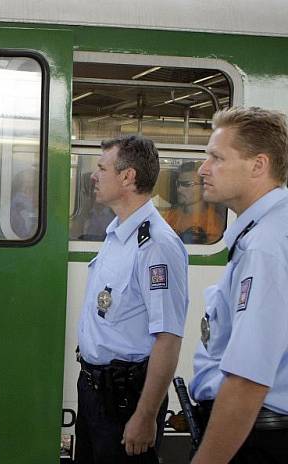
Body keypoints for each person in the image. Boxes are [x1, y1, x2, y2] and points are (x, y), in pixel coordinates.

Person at [75, 135, 189, 463]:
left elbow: (168, 338)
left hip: (126, 399)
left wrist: (145, 415)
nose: (93, 176)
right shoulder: (117, 234)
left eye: (101, 168)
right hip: (94, 390)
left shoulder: (155, 246)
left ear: (128, 177)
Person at [189, 107, 288, 463]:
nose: (203, 168)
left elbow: (248, 378)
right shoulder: (267, 232)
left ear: (258, 165)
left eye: (217, 157)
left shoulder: (266, 246)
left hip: (260, 438)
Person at [164, 161, 225, 244]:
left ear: (204, 187)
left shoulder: (214, 223)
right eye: (178, 184)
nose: (179, 189)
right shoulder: (170, 216)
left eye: (187, 184)